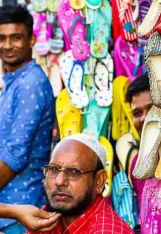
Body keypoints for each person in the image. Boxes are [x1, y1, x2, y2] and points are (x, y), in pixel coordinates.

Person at [0, 5, 55, 233]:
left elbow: (15, 155)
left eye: (16, 38)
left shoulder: (30, 83)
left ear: (32, 40)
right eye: (1, 38)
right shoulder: (15, 80)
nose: (8, 45)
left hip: (19, 211)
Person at [28, 134, 134, 234]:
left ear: (99, 181)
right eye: (54, 169)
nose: (59, 181)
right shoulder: (49, 217)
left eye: (74, 172)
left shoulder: (108, 231)